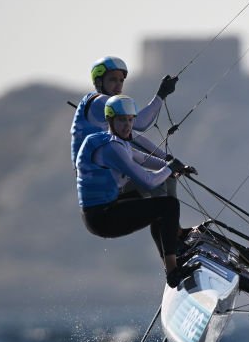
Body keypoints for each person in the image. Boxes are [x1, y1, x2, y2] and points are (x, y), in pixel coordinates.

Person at [75, 94, 196, 288]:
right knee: (168, 206)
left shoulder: (113, 140)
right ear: (110, 120)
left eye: (130, 120)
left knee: (161, 204)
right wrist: (169, 169)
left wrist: (174, 165)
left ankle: (173, 250)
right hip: (102, 218)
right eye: (122, 120)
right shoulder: (111, 148)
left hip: (107, 207)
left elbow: (142, 158)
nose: (127, 125)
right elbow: (147, 181)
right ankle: (173, 270)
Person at [70, 56, 178, 165]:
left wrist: (167, 159)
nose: (118, 85)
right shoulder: (99, 101)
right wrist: (161, 94)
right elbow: (140, 124)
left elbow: (136, 138)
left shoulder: (105, 109)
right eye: (113, 79)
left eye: (121, 80)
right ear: (98, 82)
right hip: (97, 174)